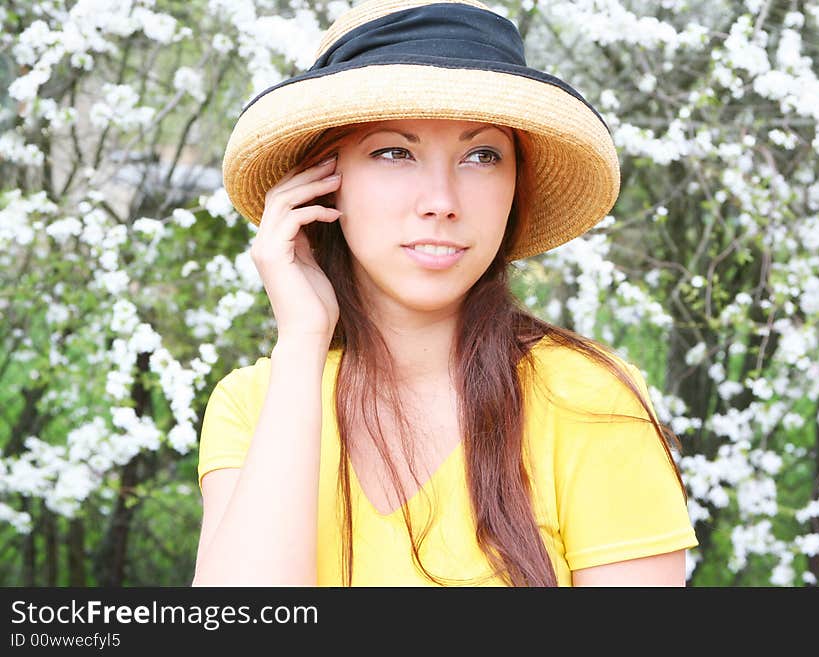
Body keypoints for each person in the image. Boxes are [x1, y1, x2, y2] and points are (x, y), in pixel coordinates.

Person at [192, 0, 698, 587]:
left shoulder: (587, 399)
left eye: (481, 155)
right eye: (393, 152)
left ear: (515, 187)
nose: (441, 199)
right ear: (323, 183)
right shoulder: (255, 406)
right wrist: (303, 341)